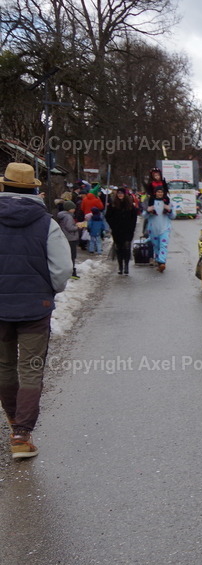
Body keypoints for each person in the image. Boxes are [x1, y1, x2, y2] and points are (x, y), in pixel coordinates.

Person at [0, 162, 74, 459]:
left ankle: (13, 419)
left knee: (4, 366)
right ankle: (22, 435)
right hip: (35, 308)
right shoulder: (48, 224)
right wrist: (50, 291)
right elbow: (62, 269)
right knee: (30, 369)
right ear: (34, 189)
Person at [105, 187, 138, 275]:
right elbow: (108, 216)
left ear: (124, 194)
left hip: (128, 230)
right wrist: (113, 225)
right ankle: (120, 266)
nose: (120, 195)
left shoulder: (130, 205)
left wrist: (132, 228)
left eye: (122, 193)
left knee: (126, 247)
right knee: (119, 248)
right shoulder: (113, 205)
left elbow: (134, 218)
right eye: (119, 194)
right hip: (117, 230)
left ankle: (126, 265)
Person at [145, 187, 175, 272]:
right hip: (153, 228)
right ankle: (159, 263)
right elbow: (144, 215)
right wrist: (148, 211)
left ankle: (162, 262)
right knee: (156, 246)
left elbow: (173, 216)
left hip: (165, 227)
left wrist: (169, 211)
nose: (160, 193)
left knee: (163, 245)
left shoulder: (168, 202)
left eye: (161, 192)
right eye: (158, 192)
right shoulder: (151, 202)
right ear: (155, 193)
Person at [55, 200, 79, 279]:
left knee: (67, 255)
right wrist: (78, 227)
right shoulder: (68, 216)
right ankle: (72, 272)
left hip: (66, 237)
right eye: (73, 208)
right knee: (72, 255)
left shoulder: (62, 215)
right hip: (71, 237)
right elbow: (70, 227)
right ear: (69, 209)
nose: (74, 209)